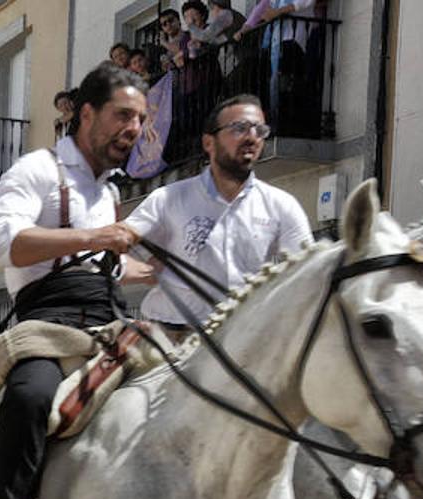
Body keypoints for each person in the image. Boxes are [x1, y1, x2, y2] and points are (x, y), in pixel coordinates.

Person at [0, 63, 151, 499]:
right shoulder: (39, 169)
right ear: (85, 114)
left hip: (107, 320)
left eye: (142, 120)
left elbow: (109, 265)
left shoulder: (109, 191)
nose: (135, 129)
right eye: (124, 116)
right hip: (47, 321)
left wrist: (149, 269)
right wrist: (97, 237)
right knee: (29, 398)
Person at [124, 94, 312, 338]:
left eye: (260, 130)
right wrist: (149, 272)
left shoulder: (281, 206)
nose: (251, 137)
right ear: (208, 143)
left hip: (242, 341)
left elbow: (304, 275)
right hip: (170, 341)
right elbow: (116, 253)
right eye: (239, 128)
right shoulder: (168, 199)